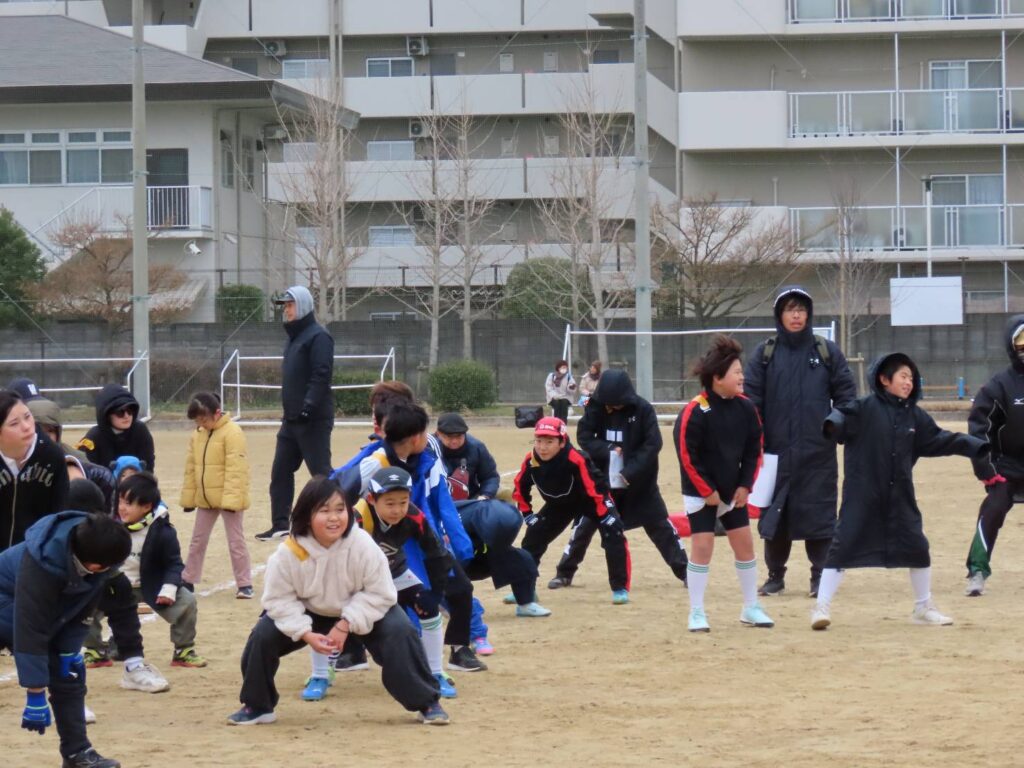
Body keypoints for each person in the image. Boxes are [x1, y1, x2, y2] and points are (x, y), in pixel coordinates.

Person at [229, 476, 449, 726]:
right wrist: (305, 633)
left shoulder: (362, 544)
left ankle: (427, 702)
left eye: (340, 509)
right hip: (310, 611)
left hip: (361, 609)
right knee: (262, 636)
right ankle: (258, 706)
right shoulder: (289, 552)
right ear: (306, 515)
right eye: (324, 511)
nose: (334, 518)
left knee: (401, 632)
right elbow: (278, 600)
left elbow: (381, 593)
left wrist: (345, 624)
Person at [811, 352, 988, 630]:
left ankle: (923, 607)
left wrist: (976, 446)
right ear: (884, 379)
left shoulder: (914, 416)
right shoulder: (864, 408)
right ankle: (821, 608)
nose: (909, 382)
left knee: (918, 548)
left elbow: (941, 439)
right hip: (862, 496)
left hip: (899, 496)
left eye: (911, 378)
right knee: (841, 548)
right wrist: (832, 424)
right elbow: (840, 417)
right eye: (903, 376)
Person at [743, 286, 857, 598]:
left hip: (817, 452)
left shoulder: (826, 351)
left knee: (820, 516)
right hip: (775, 454)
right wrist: (756, 439)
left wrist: (835, 425)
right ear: (779, 315)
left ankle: (819, 578)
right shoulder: (765, 354)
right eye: (790, 309)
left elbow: (847, 395)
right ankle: (775, 577)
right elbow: (751, 401)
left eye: (801, 309)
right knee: (775, 516)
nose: (796, 315)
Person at [0, 507, 131, 768]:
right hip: (6, 600)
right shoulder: (41, 563)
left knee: (69, 673)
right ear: (95, 565)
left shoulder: (94, 557)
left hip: (34, 610)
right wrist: (35, 692)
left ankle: (77, 754)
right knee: (48, 653)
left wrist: (70, 651)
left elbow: (81, 610)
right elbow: (31, 629)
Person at [550, 369, 688, 591]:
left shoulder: (643, 409)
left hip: (639, 484)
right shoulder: (595, 407)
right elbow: (584, 436)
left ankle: (686, 572)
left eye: (615, 404)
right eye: (608, 404)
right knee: (584, 527)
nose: (611, 408)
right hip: (603, 483)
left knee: (661, 527)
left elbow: (653, 444)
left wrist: (630, 471)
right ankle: (564, 573)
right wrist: (607, 449)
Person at [673, 336, 773, 633]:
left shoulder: (746, 408)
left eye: (742, 371)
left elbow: (755, 450)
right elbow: (687, 455)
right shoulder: (695, 410)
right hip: (701, 494)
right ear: (717, 378)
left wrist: (745, 486)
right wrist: (707, 491)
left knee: (745, 545)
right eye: (737, 372)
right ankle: (696, 611)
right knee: (702, 548)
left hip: (733, 492)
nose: (742, 377)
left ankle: (751, 607)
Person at [349, 466, 459, 699]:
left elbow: (436, 554)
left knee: (429, 612)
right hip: (356, 581)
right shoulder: (355, 519)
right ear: (372, 499)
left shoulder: (413, 515)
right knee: (327, 616)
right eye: (389, 503)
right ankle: (321, 673)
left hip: (395, 572)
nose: (397, 510)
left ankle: (435, 673)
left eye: (403, 501)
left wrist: (435, 594)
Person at [435, 412, 550, 620]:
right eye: (448, 437)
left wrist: (485, 496)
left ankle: (525, 602)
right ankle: (442, 603)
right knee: (445, 557)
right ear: (438, 434)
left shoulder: (476, 447)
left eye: (459, 436)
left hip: (474, 511)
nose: (454, 441)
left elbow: (490, 476)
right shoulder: (429, 450)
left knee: (519, 556)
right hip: (443, 514)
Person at [513, 417, 631, 604]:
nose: (542, 447)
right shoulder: (531, 460)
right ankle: (525, 590)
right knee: (532, 539)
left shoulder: (576, 458)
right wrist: (528, 515)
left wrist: (604, 515)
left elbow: (594, 489)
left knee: (613, 532)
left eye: (549, 442)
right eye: (538, 441)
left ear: (562, 442)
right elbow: (520, 488)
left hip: (590, 500)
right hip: (559, 505)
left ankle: (619, 588)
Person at [259, 285, 335, 541]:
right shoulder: (293, 338)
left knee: (321, 474)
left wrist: (309, 406)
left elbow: (321, 374)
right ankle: (280, 524)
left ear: (302, 305)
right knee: (280, 471)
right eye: (285, 306)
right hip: (291, 420)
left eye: (290, 305)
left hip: (313, 420)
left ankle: (342, 516)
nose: (287, 310)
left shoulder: (319, 337)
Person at [116, 472, 206, 669]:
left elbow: (174, 564)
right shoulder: (111, 527)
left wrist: (169, 588)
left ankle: (183, 650)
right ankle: (97, 650)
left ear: (147, 507)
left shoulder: (163, 531)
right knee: (88, 601)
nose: (121, 507)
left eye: (128, 503)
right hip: (118, 585)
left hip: (151, 585)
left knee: (187, 602)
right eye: (120, 500)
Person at [963, 316, 1024, 597]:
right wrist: (987, 470)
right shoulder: (999, 386)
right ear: (1012, 347)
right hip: (1006, 467)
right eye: (1021, 342)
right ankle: (977, 570)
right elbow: (979, 429)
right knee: (994, 507)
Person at [179, 392, 253, 599]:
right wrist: (190, 498)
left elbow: (236, 469)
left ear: (216, 413)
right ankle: (188, 578)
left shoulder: (233, 432)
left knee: (236, 542)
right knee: (197, 540)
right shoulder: (197, 435)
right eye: (197, 421)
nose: (201, 424)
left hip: (230, 499)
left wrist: (231, 500)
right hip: (206, 498)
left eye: (203, 419)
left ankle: (245, 584)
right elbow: (191, 468)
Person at [0, 389, 70, 553]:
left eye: (27, 416)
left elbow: (60, 512)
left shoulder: (52, 455)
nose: (26, 427)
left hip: (35, 554)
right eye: (14, 423)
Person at [75, 384, 155, 473]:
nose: (126, 416)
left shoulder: (140, 431)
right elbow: (86, 472)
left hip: (136, 480)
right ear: (106, 415)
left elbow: (148, 468)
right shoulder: (93, 438)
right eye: (120, 412)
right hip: (102, 481)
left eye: (130, 410)